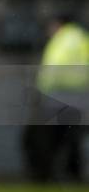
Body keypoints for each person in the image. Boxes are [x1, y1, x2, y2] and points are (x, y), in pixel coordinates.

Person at [23, 15, 89, 182]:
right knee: (71, 140)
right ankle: (73, 176)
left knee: (39, 137)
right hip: (79, 98)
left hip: (56, 96)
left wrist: (40, 90)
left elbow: (52, 69)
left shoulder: (62, 40)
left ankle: (42, 175)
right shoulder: (82, 38)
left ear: (58, 25)